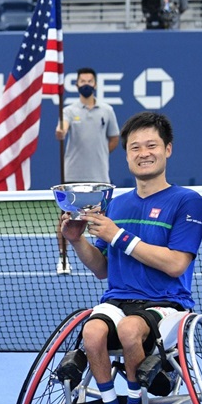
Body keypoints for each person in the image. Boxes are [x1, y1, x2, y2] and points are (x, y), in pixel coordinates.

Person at [59, 111, 202, 404]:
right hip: (118, 300)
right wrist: (77, 240)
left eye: (151, 145)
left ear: (167, 149)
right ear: (126, 155)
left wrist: (119, 236)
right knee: (91, 332)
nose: (143, 153)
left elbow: (176, 264)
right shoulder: (115, 204)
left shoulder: (187, 201)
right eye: (135, 147)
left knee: (129, 330)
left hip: (167, 304)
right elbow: (102, 269)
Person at [54, 67, 120, 274]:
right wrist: (61, 131)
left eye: (89, 81)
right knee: (66, 218)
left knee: (104, 219)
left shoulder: (107, 110)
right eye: (82, 81)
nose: (86, 84)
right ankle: (63, 259)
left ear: (95, 84)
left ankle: (105, 256)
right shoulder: (69, 111)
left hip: (99, 176)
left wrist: (101, 154)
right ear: (76, 85)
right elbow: (63, 128)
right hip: (73, 176)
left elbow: (114, 138)